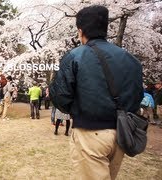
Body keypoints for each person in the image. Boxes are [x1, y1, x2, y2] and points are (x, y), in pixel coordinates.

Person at [49, 5, 143, 180]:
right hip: (122, 133)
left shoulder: (75, 56)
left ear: (80, 31)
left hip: (90, 133)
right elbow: (138, 96)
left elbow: (61, 97)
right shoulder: (131, 60)